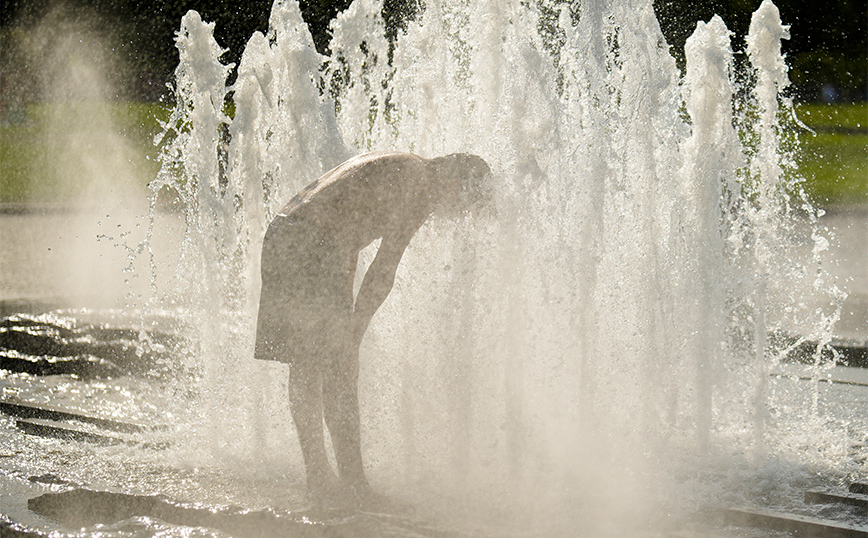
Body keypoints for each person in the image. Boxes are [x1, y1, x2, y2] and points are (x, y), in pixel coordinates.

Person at [254, 151, 491, 507]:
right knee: (338, 370)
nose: (456, 215)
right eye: (464, 204)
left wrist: (348, 321)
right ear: (456, 182)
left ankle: (318, 475)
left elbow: (345, 228)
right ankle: (352, 483)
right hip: (311, 244)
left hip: (284, 233)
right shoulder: (421, 186)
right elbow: (383, 269)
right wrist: (354, 334)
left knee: (306, 364)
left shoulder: (404, 166)